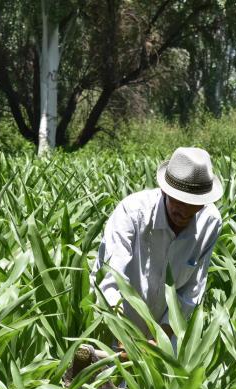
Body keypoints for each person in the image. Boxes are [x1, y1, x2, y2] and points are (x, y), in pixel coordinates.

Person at [90, 147, 223, 354]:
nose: (184, 211)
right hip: (114, 330)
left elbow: (191, 291)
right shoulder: (132, 213)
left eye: (193, 204)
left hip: (165, 338)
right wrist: (125, 335)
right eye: (179, 201)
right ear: (164, 191)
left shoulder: (210, 222)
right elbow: (109, 279)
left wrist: (160, 337)